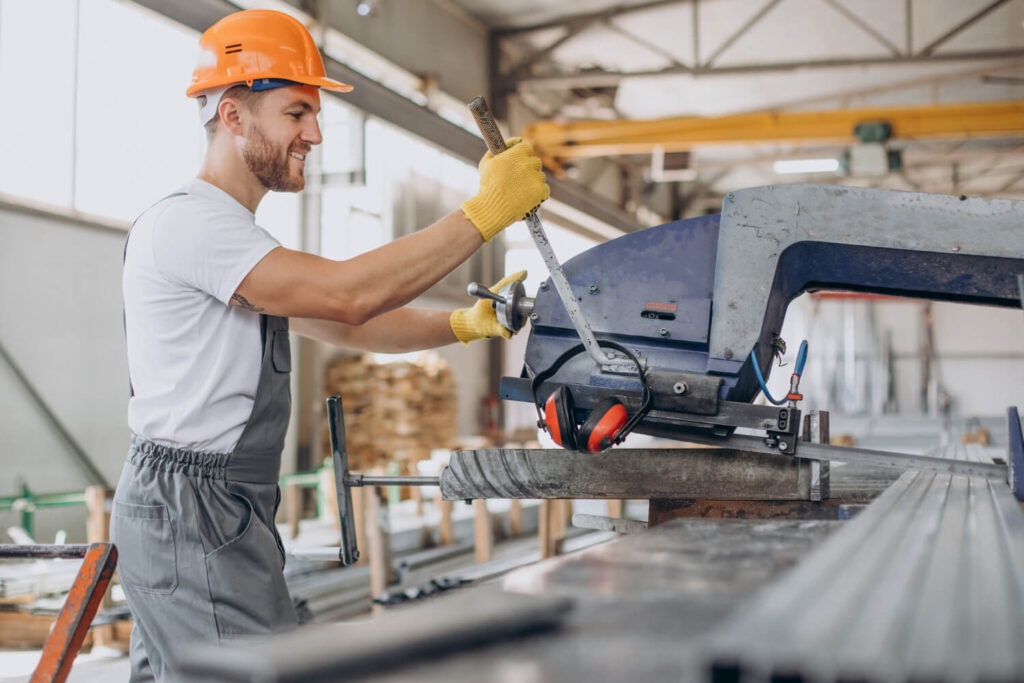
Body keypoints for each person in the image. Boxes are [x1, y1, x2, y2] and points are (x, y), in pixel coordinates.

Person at [111, 8, 548, 681]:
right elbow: (349, 295)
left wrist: (465, 325)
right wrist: (484, 212)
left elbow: (347, 324)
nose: (314, 133)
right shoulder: (192, 225)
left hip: (215, 506)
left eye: (314, 114)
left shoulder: (236, 241)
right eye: (295, 113)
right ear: (232, 115)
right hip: (190, 509)